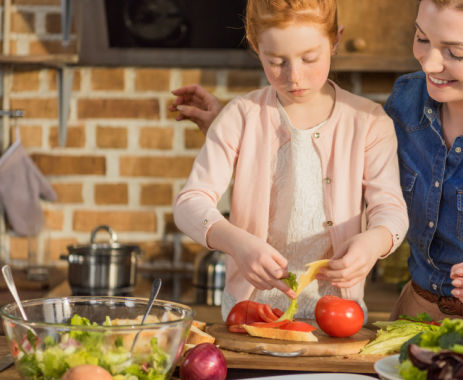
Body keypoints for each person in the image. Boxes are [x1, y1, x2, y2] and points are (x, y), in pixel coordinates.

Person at [171, 0, 463, 356]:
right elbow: (331, 147)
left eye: (455, 53)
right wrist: (234, 128)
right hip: (412, 324)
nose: (430, 63)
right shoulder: (407, 103)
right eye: (422, 38)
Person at [172, 0, 409, 321]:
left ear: (336, 40)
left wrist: (372, 244)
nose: (294, 76)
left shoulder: (369, 121)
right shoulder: (240, 116)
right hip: (250, 311)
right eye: (276, 61)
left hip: (338, 316)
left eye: (309, 58)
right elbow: (189, 203)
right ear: (256, 47)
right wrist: (238, 244)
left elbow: (391, 212)